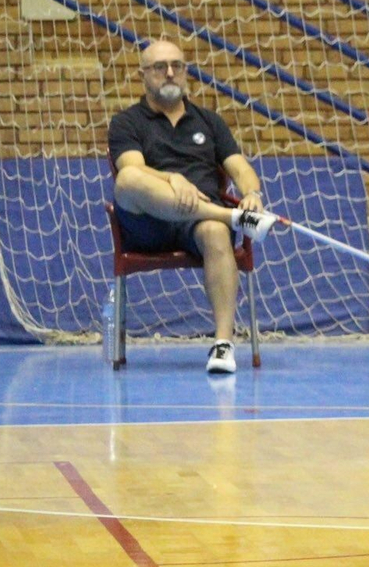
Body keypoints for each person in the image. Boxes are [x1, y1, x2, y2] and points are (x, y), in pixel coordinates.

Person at [108, 38, 278, 374]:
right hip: (148, 222)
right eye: (159, 67)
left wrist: (253, 194)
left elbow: (240, 168)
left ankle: (223, 345)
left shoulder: (210, 122)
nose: (170, 73)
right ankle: (233, 217)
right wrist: (171, 178)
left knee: (216, 232)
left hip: (197, 222)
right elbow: (133, 167)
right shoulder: (126, 122)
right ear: (143, 75)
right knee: (126, 180)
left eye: (177, 66)